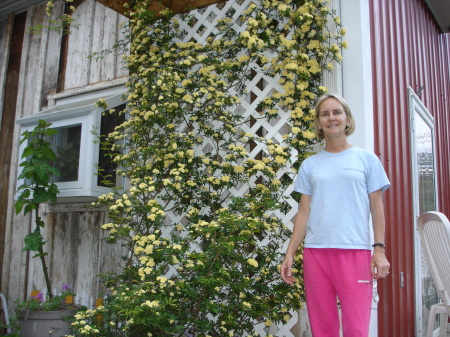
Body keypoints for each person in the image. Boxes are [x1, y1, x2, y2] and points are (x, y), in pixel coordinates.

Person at [280, 93, 391, 337]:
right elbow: (304, 212)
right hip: (316, 254)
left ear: (347, 119)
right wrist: (290, 253)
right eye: (325, 114)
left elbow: (377, 207)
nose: (332, 118)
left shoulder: (366, 159)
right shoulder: (310, 165)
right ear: (318, 123)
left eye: (337, 112)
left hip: (355, 253)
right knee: (322, 327)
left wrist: (379, 250)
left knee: (356, 328)